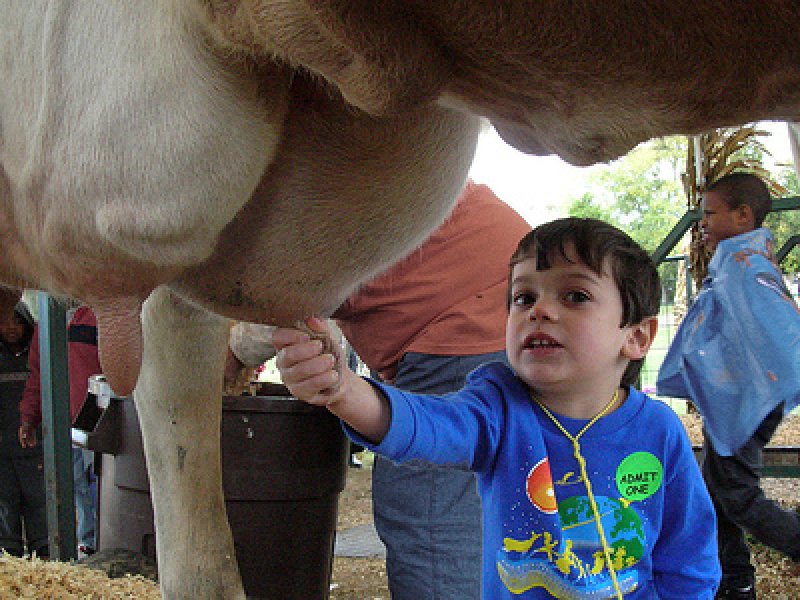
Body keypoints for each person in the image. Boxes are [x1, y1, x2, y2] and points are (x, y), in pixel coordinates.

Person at [274, 217, 722, 599]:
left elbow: (689, 554)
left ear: (637, 337)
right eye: (523, 298)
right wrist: (344, 390)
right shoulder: (499, 407)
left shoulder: (660, 430)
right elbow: (431, 427)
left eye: (575, 296)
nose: (540, 310)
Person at [226, 180, 531, 599]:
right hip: (505, 300)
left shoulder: (287, 190)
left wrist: (233, 349)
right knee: (489, 515)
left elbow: (284, 290)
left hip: (461, 317)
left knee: (431, 517)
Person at [658, 173, 800, 600]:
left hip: (748, 403)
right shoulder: (737, 263)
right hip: (740, 400)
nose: (702, 222)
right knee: (713, 494)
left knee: (737, 495)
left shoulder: (745, 268)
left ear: (742, 216)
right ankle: (733, 581)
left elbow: (779, 329)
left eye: (709, 214)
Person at [18, 304, 102, 558]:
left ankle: (102, 542)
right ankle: (85, 544)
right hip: (60, 426)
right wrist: (29, 418)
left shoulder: (97, 316)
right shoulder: (45, 323)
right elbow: (38, 376)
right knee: (74, 485)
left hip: (97, 423)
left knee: (98, 483)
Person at [0, 301, 48, 558]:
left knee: (38, 501)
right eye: (6, 322)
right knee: (5, 501)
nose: (11, 328)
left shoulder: (38, 356)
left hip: (33, 446)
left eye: (17, 322)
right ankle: (9, 553)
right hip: (3, 449)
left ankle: (44, 550)